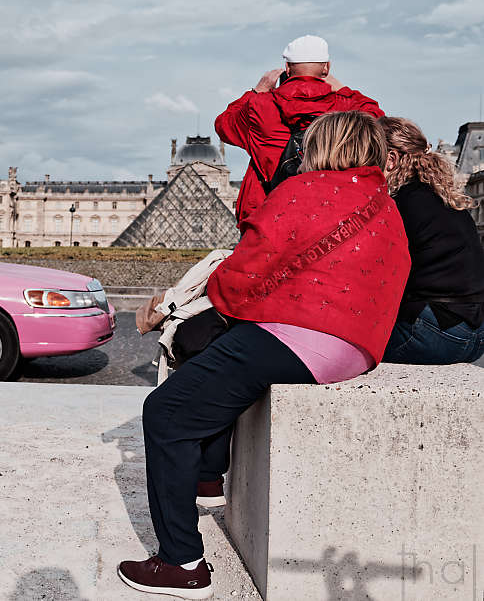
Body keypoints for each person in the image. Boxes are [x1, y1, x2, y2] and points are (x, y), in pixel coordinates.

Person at [117, 111, 411, 599]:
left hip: (302, 338)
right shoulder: (384, 203)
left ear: (323, 147)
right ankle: (206, 478)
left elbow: (242, 274)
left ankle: (181, 563)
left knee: (167, 411)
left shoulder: (304, 189)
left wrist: (218, 298)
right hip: (356, 348)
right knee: (216, 369)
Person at [215, 35, 384, 230]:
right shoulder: (345, 106)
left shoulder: (259, 106)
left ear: (287, 68)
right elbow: (377, 118)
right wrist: (341, 88)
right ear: (327, 67)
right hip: (329, 210)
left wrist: (257, 91)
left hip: (269, 213)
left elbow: (223, 125)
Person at [378, 117, 484, 364]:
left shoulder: (401, 203)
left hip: (437, 334)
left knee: (345, 347)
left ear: (391, 159)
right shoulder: (440, 197)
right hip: (477, 334)